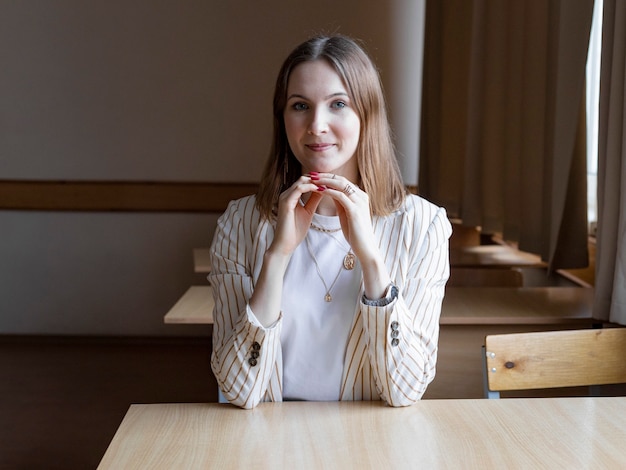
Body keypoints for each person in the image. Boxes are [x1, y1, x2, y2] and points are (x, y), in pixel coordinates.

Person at [209, 34, 451, 409]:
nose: (317, 125)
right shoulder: (239, 223)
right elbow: (240, 390)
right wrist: (277, 257)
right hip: (267, 449)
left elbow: (405, 390)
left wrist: (371, 259)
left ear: (366, 114)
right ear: (283, 118)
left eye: (338, 104)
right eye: (300, 105)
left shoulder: (423, 226)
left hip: (372, 449)